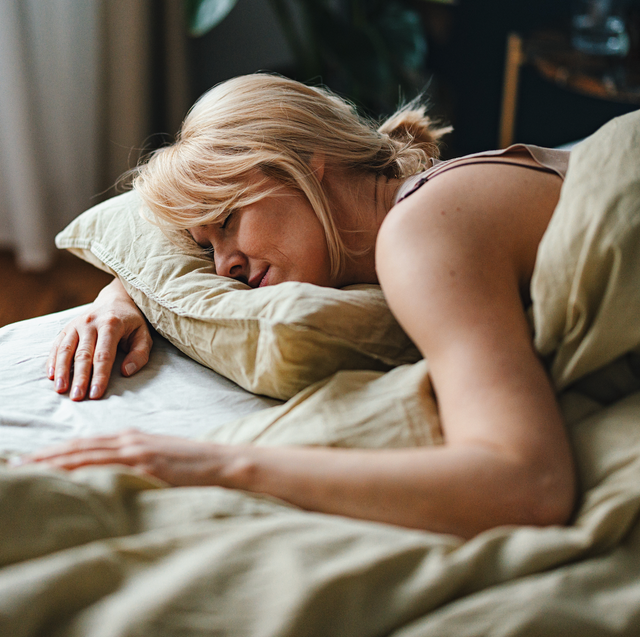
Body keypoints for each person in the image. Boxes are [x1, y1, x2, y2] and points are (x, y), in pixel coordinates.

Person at [19, 74, 576, 538]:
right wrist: (124, 293)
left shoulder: (424, 232)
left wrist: (216, 465)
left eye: (229, 221)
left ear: (312, 166)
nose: (222, 269)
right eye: (205, 246)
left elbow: (528, 483)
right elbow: (151, 239)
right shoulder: (432, 207)